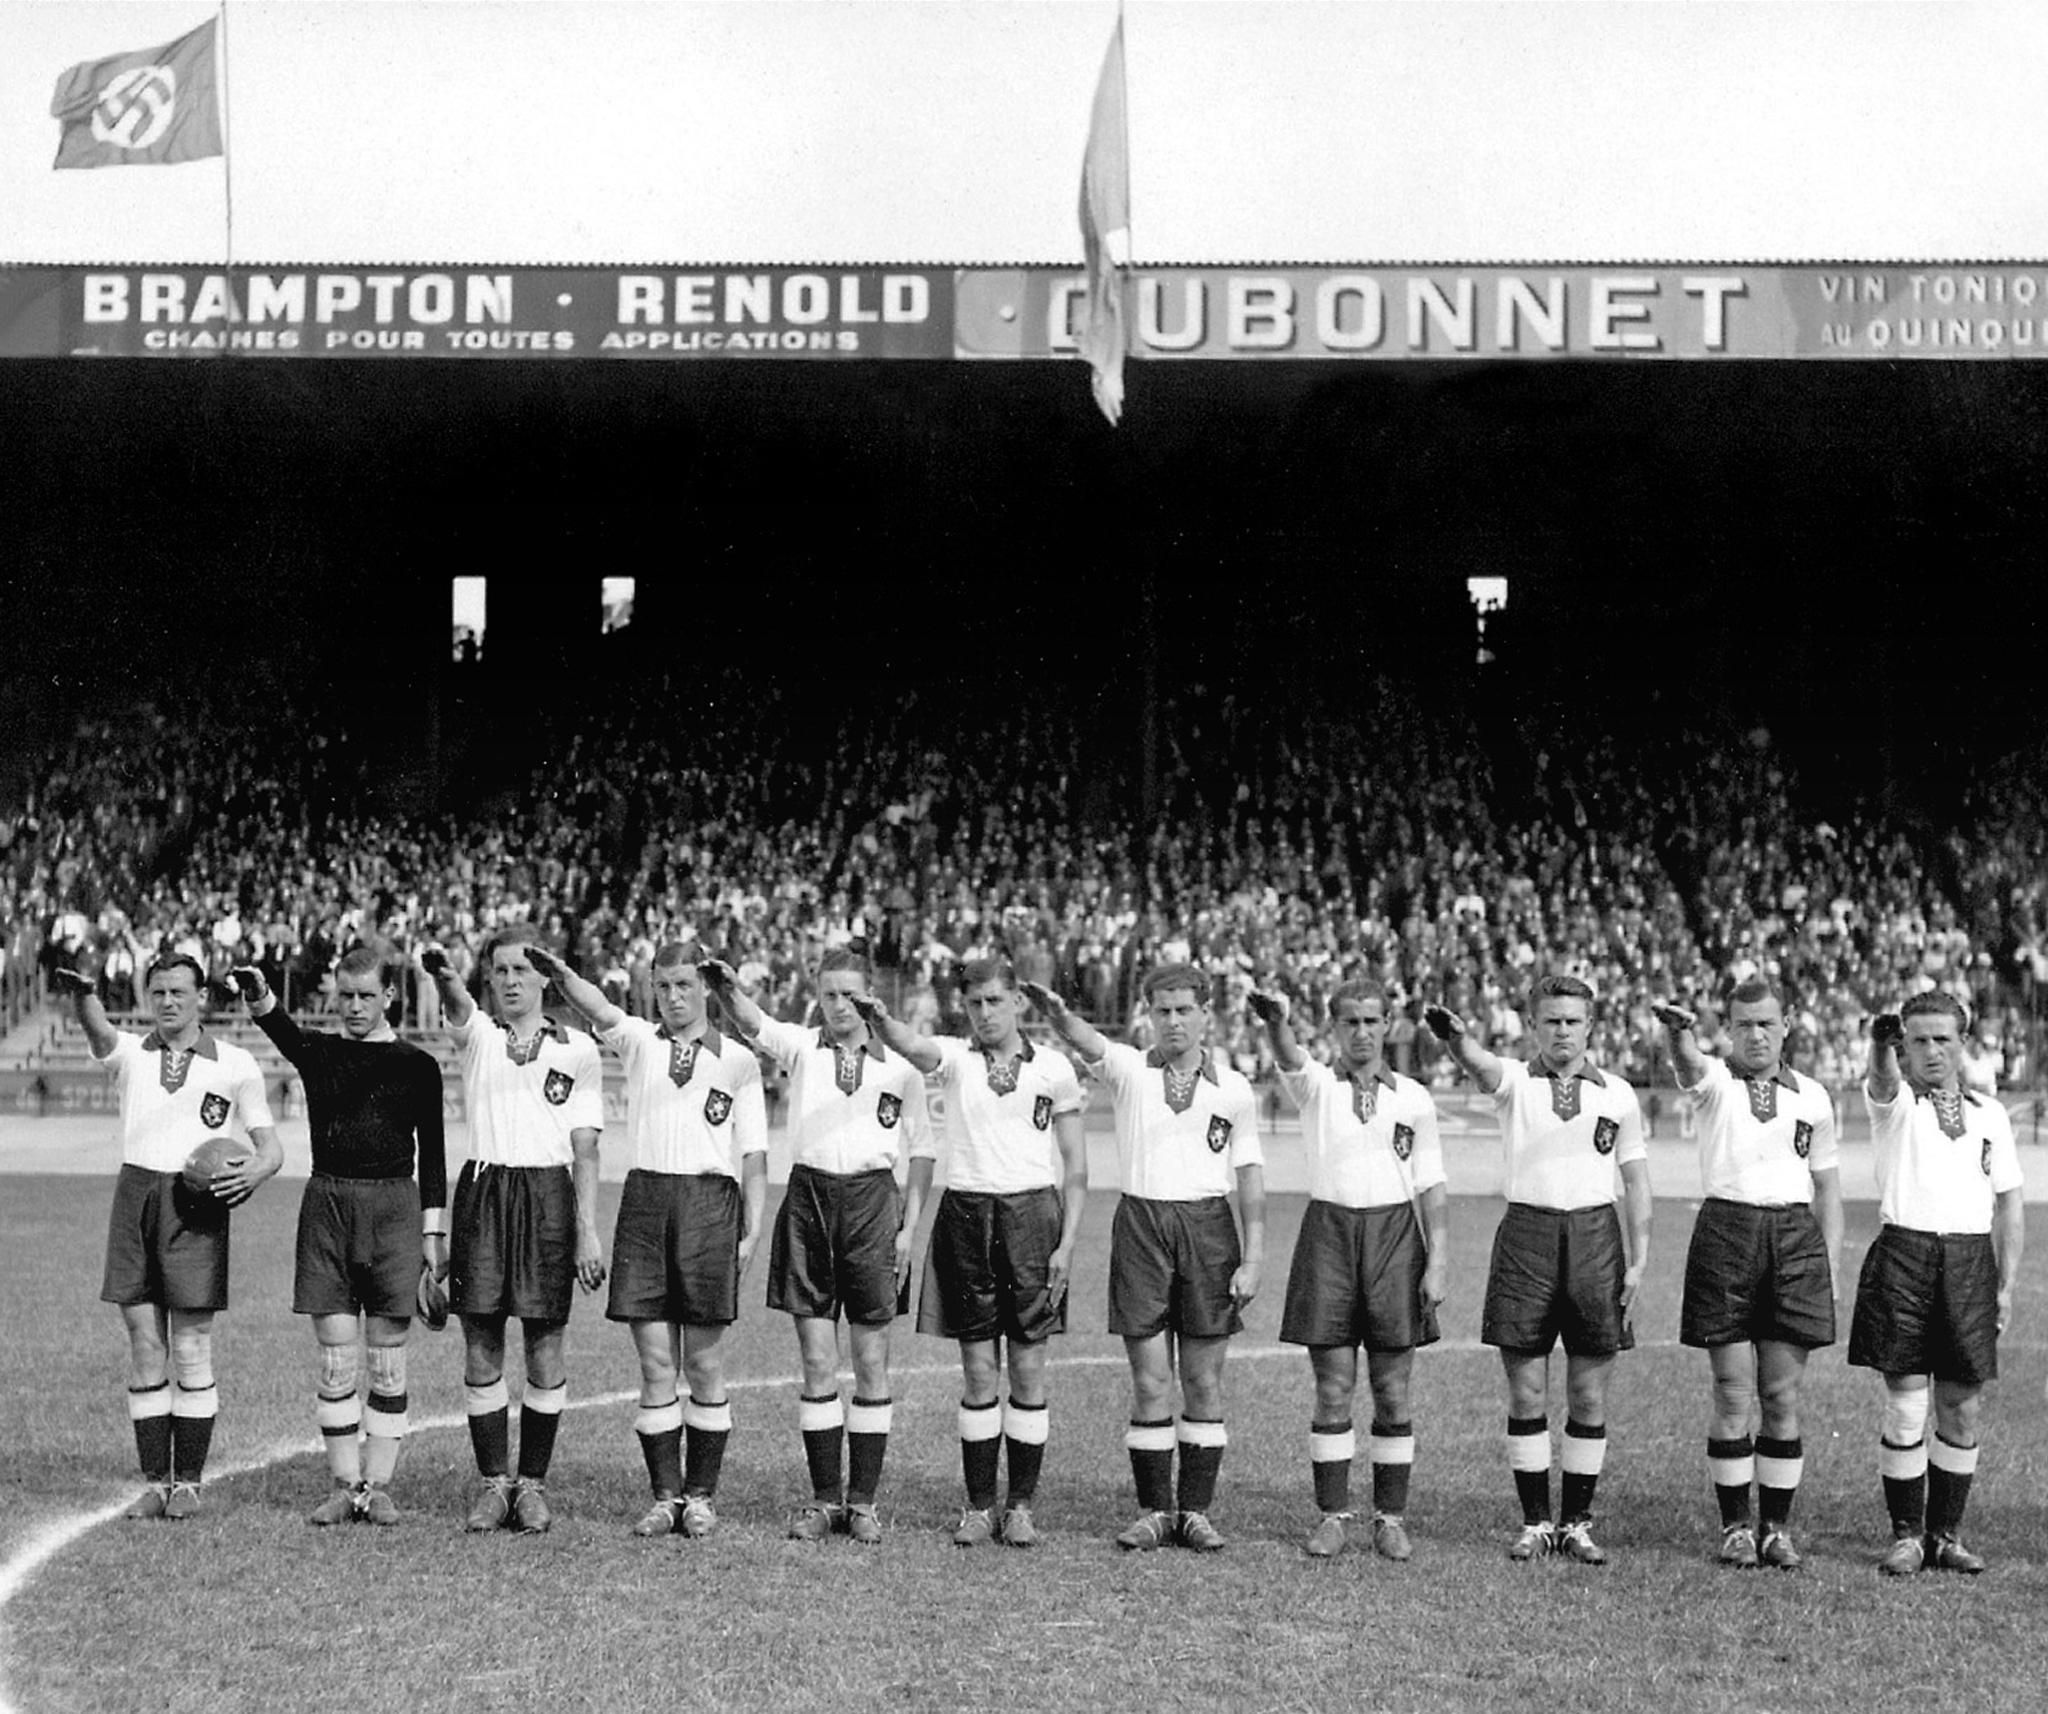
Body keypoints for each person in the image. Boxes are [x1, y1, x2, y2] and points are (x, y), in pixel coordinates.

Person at [523, 941, 766, 1541]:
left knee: (705, 1362)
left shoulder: (737, 1061)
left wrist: (753, 1227)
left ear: (705, 987)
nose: (674, 997)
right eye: (663, 986)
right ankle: (665, 1497)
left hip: (711, 1206)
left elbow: (755, 1153)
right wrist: (561, 975)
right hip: (647, 1204)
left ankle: (701, 1497)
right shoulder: (639, 1041)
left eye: (684, 985)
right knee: (656, 1363)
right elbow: (600, 1009)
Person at [1024, 964, 1265, 1553]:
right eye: (1162, 1011)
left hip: (1209, 1230)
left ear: (1206, 1014)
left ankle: (1197, 1512)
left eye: (1185, 1010)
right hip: (1142, 1227)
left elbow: (1251, 1178)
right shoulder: (1130, 1068)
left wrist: (1254, 1256)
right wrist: (1057, 1013)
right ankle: (1155, 1510)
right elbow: (1086, 1039)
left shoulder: (1233, 1087)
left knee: (1203, 1380)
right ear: (1148, 1015)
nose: (1173, 1021)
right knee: (1151, 1379)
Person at [851, 957, 1088, 1547]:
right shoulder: (956, 1060)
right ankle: (980, 1505)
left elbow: (1078, 1168)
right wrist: (881, 1018)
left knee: (1029, 1367)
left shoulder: (1054, 1069)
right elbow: (914, 1046)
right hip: (967, 1215)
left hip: (1034, 1217)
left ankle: (1022, 1505)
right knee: (979, 1369)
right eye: (975, 1004)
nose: (985, 1014)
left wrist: (1068, 1243)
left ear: (1017, 1003)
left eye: (995, 1002)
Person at [703, 947, 933, 1545]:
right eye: (829, 994)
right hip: (808, 1199)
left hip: (874, 1205)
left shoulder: (901, 1066)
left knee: (872, 1358)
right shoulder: (803, 1046)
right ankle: (825, 1498)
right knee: (815, 1358)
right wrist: (726, 987)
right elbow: (754, 1022)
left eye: (850, 995)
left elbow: (923, 1151)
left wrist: (908, 1229)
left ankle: (864, 1502)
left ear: (871, 997)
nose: (838, 1006)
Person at [1424, 973, 1651, 1565]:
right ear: (1534, 1026)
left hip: (1597, 1240)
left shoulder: (1619, 1094)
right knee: (1526, 1388)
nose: (1563, 1031)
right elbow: (1478, 1064)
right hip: (1527, 1237)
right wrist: (1456, 1040)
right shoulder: (1516, 1083)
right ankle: (1534, 1522)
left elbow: (1635, 1179)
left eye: (1573, 1021)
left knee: (1587, 1392)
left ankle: (1577, 1523)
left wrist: (1640, 1258)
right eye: (1551, 1020)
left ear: (1591, 1026)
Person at [57, 953, 282, 1521]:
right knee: (143, 1340)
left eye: (179, 991)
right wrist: (84, 995)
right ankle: (155, 1481)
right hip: (136, 1195)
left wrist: (252, 1172)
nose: (168, 1001)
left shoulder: (234, 1064)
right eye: (158, 992)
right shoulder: (133, 1053)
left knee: (191, 1342)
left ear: (200, 996)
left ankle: (190, 1483)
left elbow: (270, 1148)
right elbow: (100, 1031)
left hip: (195, 1203)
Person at [231, 949, 447, 1526]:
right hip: (328, 1204)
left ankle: (378, 1486)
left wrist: (433, 1232)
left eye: (365, 996)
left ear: (388, 997)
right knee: (334, 1359)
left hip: (395, 1209)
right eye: (345, 996)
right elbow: (280, 1026)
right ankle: (343, 1483)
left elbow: (434, 1157)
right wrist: (258, 994)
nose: (354, 1006)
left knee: (387, 1361)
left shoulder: (417, 1064)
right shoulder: (320, 1052)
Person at [1250, 981, 1447, 1561]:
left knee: (1392, 1388)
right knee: (1333, 1386)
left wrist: (1439, 1259)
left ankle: (1390, 1518)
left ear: (1389, 1024)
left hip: (1394, 1240)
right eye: (1349, 1023)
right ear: (1334, 1029)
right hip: (1330, 1237)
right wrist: (1276, 1022)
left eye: (1371, 1021)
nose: (1361, 1032)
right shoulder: (1317, 1087)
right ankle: (1333, 1515)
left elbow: (1432, 1184)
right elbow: (1289, 1054)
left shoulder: (1413, 1097)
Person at [1653, 981, 1841, 1570]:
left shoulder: (1813, 1097)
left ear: (1786, 1024)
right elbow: (1688, 1064)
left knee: (1781, 1393)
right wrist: (1678, 1033)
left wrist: (1827, 1265)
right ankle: (1735, 1528)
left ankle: (1776, 1529)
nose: (1755, 1035)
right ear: (1728, 1029)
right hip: (1727, 1235)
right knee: (1732, 1390)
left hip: (1793, 1241)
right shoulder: (1715, 1082)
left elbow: (1828, 1187)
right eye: (1743, 1025)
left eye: (1766, 1023)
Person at [422, 928, 605, 1535]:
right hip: (485, 1191)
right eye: (498, 970)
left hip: (549, 1196)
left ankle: (532, 1484)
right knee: (480, 1342)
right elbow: (455, 1002)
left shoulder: (577, 1049)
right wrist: (445, 975)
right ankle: (493, 1483)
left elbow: (585, 1149)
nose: (509, 980)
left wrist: (587, 1230)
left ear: (546, 977)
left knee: (545, 1346)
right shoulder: (479, 1036)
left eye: (521, 970)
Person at [1851, 993, 2023, 1576]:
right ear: (1904, 1045)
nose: (1930, 1051)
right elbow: (1880, 1078)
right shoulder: (1895, 1104)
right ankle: (1906, 1536)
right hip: (1905, 1253)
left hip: (1970, 1261)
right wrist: (1880, 1045)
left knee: (1962, 1405)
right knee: (1905, 1402)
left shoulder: (1990, 1114)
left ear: (1962, 1043)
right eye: (1917, 1040)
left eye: (1942, 1039)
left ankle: (1945, 1535)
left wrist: (2006, 1285)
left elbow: (2009, 1203)